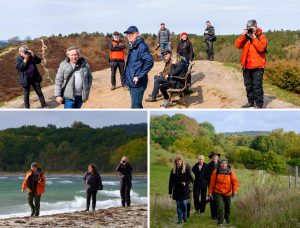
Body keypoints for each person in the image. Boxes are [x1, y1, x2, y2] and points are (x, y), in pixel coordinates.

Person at [235, 19, 267, 109]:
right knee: (248, 85)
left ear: (256, 27)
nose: (250, 29)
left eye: (251, 27)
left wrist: (254, 38)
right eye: (248, 27)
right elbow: (237, 45)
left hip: (258, 66)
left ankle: (259, 104)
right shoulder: (245, 37)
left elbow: (261, 48)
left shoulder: (262, 37)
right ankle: (250, 102)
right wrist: (243, 35)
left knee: (257, 86)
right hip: (247, 65)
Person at [124, 26, 154, 109]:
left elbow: (150, 61)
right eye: (127, 34)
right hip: (132, 83)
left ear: (137, 34)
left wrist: (139, 76)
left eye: (131, 33)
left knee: (135, 107)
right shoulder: (133, 45)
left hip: (138, 83)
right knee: (136, 106)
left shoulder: (141, 46)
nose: (129, 35)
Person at [208, 158, 238, 226]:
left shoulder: (230, 172)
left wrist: (235, 190)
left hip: (228, 192)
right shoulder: (216, 171)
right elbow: (212, 183)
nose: (223, 164)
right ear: (220, 164)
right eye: (222, 163)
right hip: (218, 192)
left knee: (228, 207)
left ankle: (227, 218)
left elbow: (235, 182)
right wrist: (210, 192)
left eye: (225, 163)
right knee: (220, 207)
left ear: (227, 164)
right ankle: (220, 221)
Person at [169, 155, 192, 224]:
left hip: (184, 189)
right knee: (178, 205)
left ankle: (184, 216)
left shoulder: (186, 169)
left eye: (180, 161)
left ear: (182, 161)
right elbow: (171, 182)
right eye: (177, 161)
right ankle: (180, 219)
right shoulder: (173, 170)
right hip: (176, 190)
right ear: (175, 162)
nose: (179, 162)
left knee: (184, 204)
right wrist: (170, 192)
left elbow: (190, 179)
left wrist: (185, 183)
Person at [205, 151, 221, 220]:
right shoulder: (208, 166)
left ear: (217, 157)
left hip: (220, 185)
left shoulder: (221, 164)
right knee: (212, 200)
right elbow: (205, 175)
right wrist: (211, 177)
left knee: (218, 200)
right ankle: (213, 215)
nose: (214, 157)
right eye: (213, 156)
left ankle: (218, 214)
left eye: (216, 156)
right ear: (211, 158)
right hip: (211, 185)